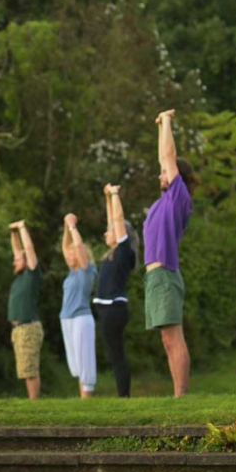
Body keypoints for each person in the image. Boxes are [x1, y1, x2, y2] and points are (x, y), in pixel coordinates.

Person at [142, 109, 196, 397]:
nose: (159, 173)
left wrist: (165, 121)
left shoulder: (179, 197)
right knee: (166, 338)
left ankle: (181, 395)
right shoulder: (163, 200)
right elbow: (163, 158)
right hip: (155, 276)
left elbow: (167, 155)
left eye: (164, 171)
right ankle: (178, 393)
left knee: (174, 338)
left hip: (165, 274)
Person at [93, 183, 138, 398]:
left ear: (122, 235)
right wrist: (108, 198)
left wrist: (115, 194)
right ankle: (124, 395)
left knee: (117, 355)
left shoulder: (123, 252)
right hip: (107, 310)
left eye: (110, 231)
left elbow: (118, 221)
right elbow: (113, 221)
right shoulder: (114, 252)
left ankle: (124, 397)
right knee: (114, 355)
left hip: (114, 309)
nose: (106, 231)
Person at [59, 213, 97, 398]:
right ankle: (82, 399)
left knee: (85, 361)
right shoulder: (72, 273)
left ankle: (86, 400)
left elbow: (78, 247)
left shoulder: (86, 270)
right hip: (67, 319)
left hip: (81, 318)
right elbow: (65, 247)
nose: (69, 254)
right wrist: (66, 226)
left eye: (74, 252)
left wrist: (73, 227)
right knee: (76, 363)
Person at [8, 220, 43, 400]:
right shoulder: (20, 277)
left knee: (30, 368)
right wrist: (13, 234)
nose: (15, 260)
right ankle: (32, 401)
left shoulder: (31, 274)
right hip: (19, 329)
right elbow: (19, 251)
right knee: (24, 367)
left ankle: (34, 402)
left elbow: (27, 251)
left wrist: (22, 228)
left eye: (18, 259)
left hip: (28, 327)